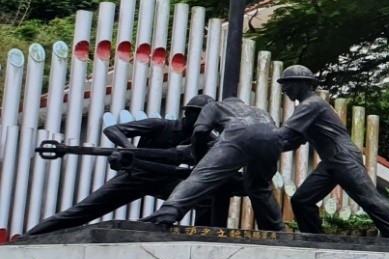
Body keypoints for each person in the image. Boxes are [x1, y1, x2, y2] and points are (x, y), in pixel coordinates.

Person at [25, 95, 213, 235]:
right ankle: (28, 238)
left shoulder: (203, 137)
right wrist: (130, 149)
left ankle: (201, 237)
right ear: (188, 113)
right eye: (200, 116)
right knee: (81, 212)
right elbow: (113, 130)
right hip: (135, 176)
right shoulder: (160, 125)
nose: (204, 122)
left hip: (166, 179)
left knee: (206, 198)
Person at [276, 66, 389, 239]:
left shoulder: (312, 104)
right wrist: (265, 149)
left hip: (343, 157)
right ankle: (314, 238)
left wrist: (258, 140)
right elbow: (293, 141)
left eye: (288, 84)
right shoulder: (307, 107)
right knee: (301, 200)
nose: (285, 89)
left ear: (303, 83)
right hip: (330, 161)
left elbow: (284, 134)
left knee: (367, 197)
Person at [144, 98, 286, 231]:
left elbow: (200, 131)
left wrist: (199, 159)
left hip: (240, 133)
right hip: (273, 140)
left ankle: (169, 211)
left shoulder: (214, 106)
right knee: (258, 187)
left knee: (202, 175)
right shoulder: (260, 112)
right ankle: (276, 230)